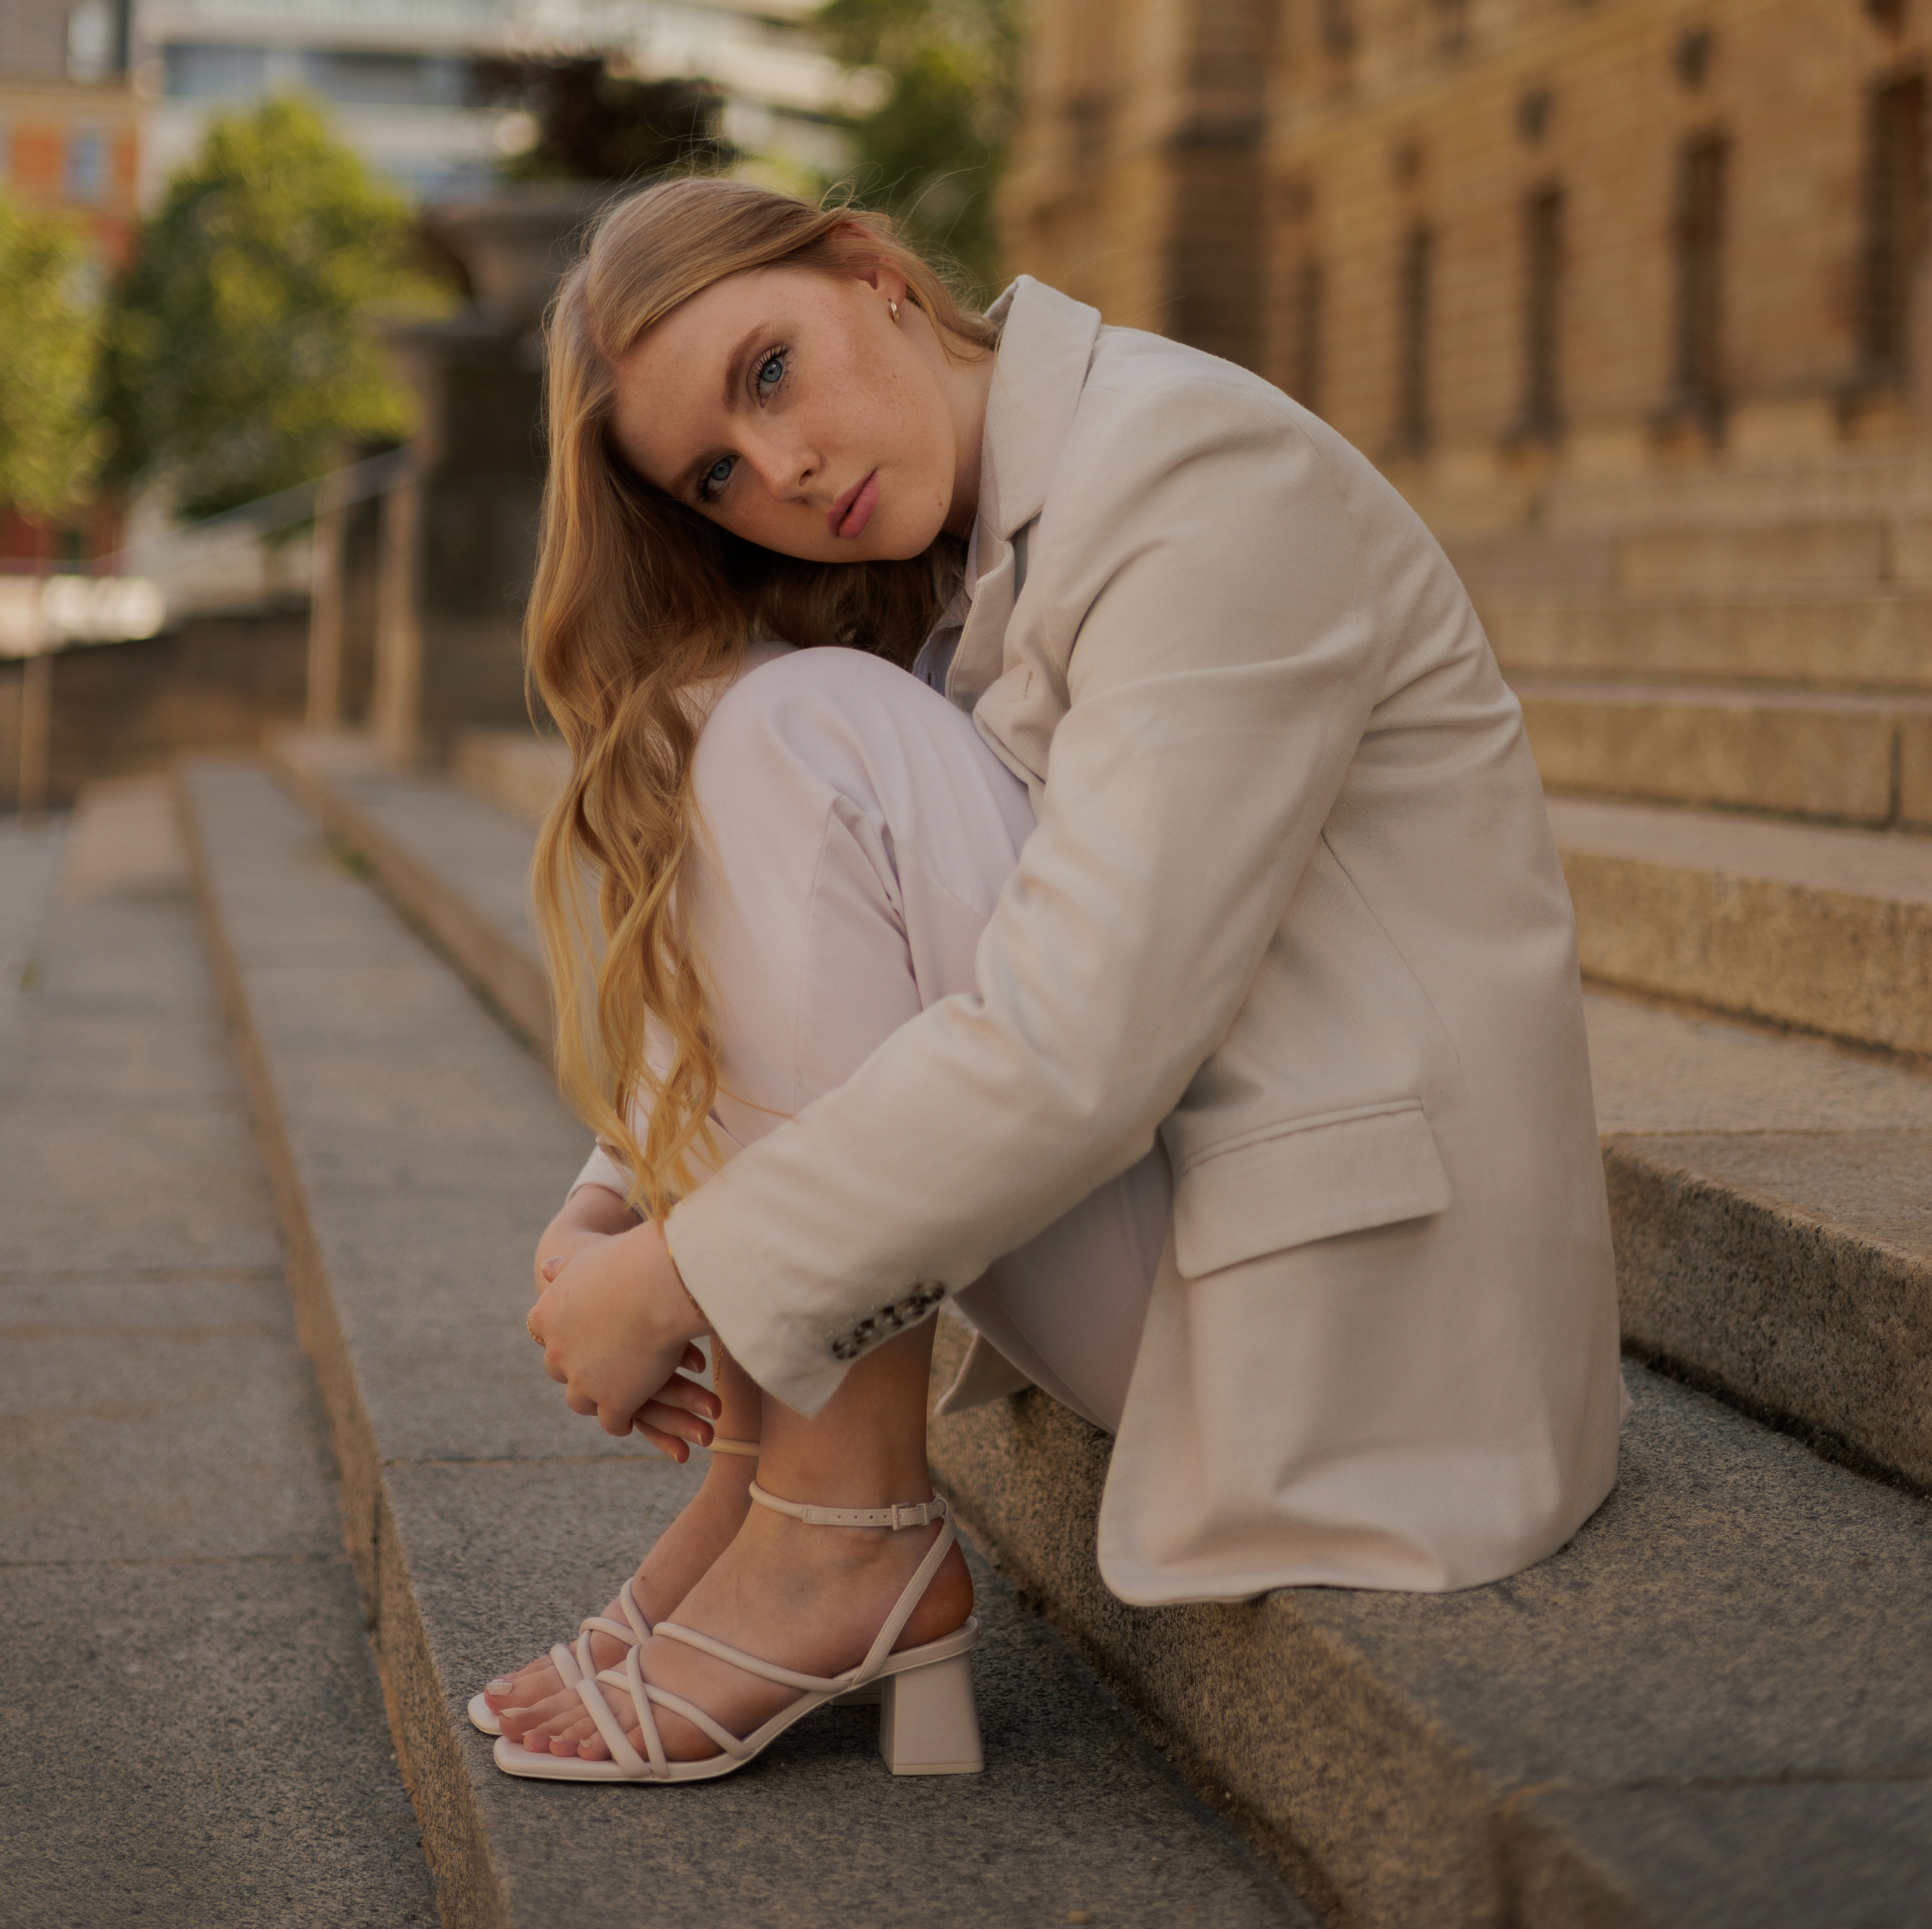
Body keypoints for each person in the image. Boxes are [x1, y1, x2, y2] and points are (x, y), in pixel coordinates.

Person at [481, 179, 1623, 1788]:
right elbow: (897, 911)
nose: (784, 471)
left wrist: (682, 1272)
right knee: (718, 717)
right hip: (1189, 1224)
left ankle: (840, 1529)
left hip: (1372, 1330)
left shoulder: (1188, 473)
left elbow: (1078, 1044)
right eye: (719, 472)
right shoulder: (981, 516)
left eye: (768, 370)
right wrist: (622, 1185)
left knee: (806, 729)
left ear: (871, 274)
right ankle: (764, 1490)